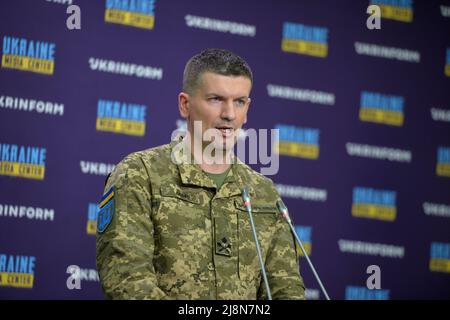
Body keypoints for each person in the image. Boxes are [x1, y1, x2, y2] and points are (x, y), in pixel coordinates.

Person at [96, 48, 306, 300]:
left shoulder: (264, 192)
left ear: (247, 108)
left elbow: (286, 289)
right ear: (185, 104)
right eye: (216, 99)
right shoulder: (140, 174)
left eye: (239, 101)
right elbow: (128, 282)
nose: (229, 114)